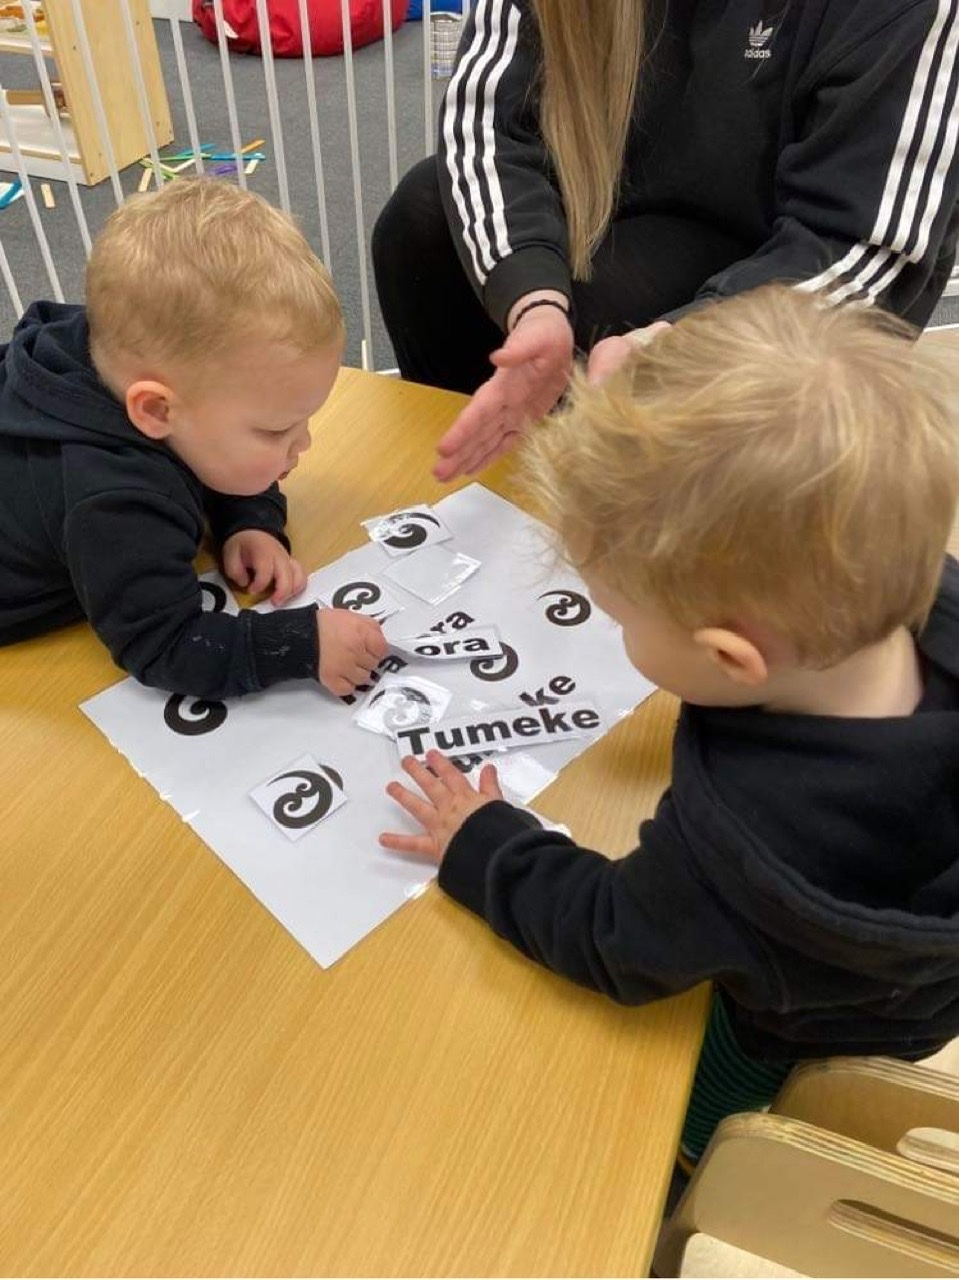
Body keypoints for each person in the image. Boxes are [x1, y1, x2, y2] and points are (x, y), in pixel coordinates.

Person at [379, 285, 959, 1164]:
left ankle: (695, 1158)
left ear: (732, 660)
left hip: (798, 1023)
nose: (616, 634)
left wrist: (483, 843)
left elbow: (611, 936)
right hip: (926, 988)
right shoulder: (918, 595)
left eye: (621, 619)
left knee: (703, 1116)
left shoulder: (729, 848)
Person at [373, 0, 959, 481]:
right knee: (426, 221)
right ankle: (486, 502)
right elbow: (487, 130)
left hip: (800, 266)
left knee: (631, 372)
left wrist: (682, 345)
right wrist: (533, 303)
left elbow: (868, 243)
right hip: (634, 214)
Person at [0, 179, 387, 699]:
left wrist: (250, 519)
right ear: (156, 409)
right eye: (275, 429)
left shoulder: (118, 353)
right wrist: (302, 643)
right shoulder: (116, 500)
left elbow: (211, 456)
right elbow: (166, 645)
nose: (305, 445)